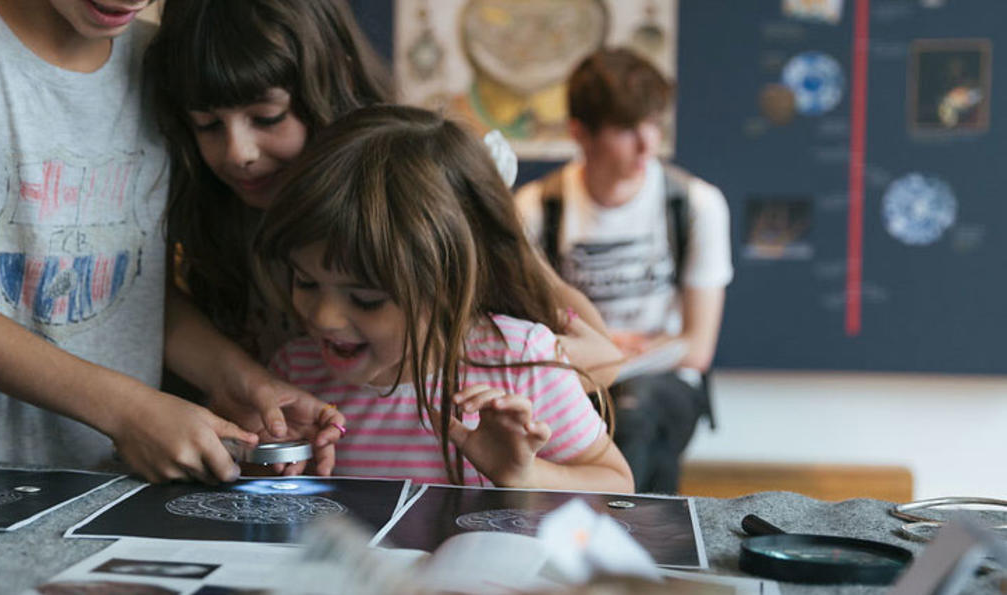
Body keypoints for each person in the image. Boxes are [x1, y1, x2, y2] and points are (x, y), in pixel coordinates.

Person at [0, 0, 305, 484]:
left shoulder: (153, 58)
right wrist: (128, 410)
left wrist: (245, 382)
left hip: (102, 482)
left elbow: (137, 296)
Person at [145, 0, 621, 407]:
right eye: (207, 125)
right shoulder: (206, 213)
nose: (238, 153)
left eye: (268, 117)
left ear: (332, 78)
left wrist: (461, 358)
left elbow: (601, 358)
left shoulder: (421, 191)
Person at [252, 105, 634, 491]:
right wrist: (276, 462)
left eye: (366, 299)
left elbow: (617, 484)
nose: (324, 317)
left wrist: (527, 476)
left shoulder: (520, 360)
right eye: (306, 282)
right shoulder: (295, 372)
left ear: (451, 284)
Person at [512, 48, 733, 494]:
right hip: (574, 378)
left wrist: (606, 350)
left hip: (665, 383)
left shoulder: (695, 204)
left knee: (636, 410)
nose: (648, 143)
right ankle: (640, 531)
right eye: (627, 128)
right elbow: (522, 337)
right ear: (581, 133)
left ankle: (602, 526)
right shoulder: (535, 209)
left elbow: (698, 348)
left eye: (653, 123)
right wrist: (607, 347)